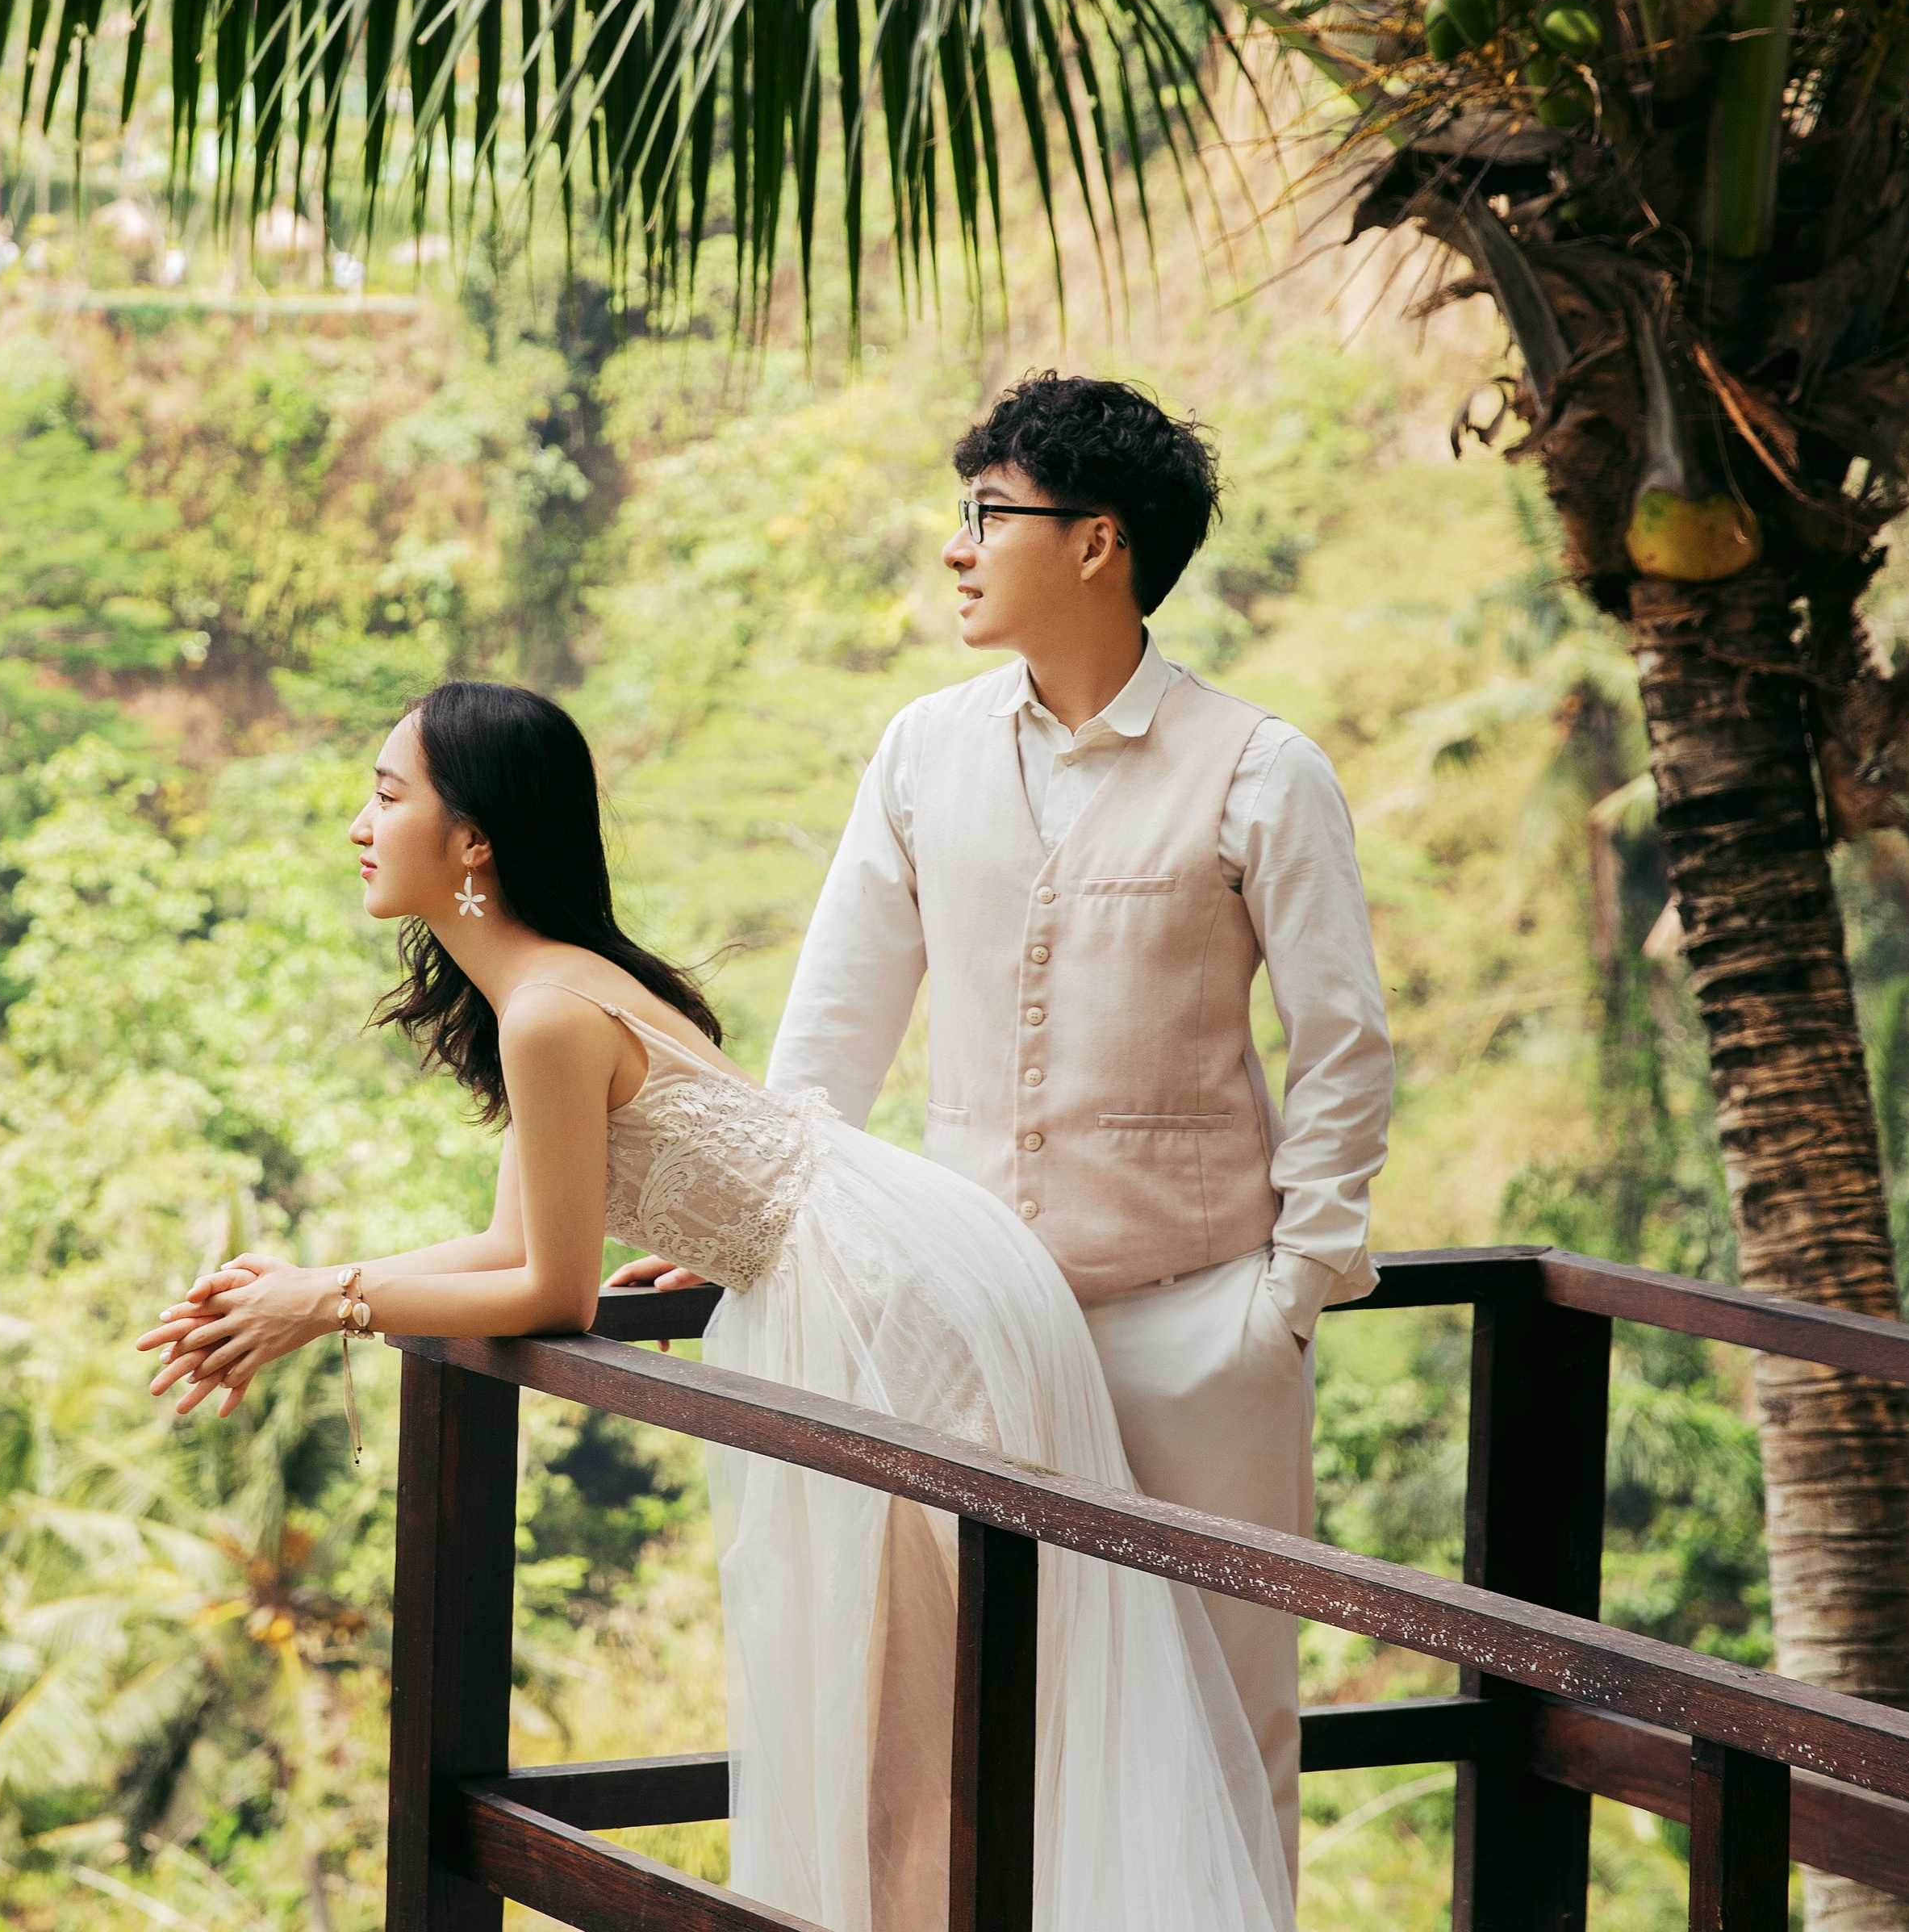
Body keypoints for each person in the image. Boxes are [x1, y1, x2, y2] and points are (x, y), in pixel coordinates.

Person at [136, 678, 1292, 1931]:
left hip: (891, 1302)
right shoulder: (543, 992)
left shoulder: (549, 1011)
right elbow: (511, 1240)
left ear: (473, 840)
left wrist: (333, 1303)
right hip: (876, 1265)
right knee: (914, 1726)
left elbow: (551, 1291)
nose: (361, 826)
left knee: (911, 1742)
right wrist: (312, 1288)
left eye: (386, 795)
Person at [614, 370, 1398, 1868]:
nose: (957, 547)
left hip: (1195, 1331)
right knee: (971, 1727)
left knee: (1225, 1732)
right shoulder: (923, 749)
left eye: (990, 515)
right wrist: (753, 1232)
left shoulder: (1262, 769)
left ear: (1098, 544)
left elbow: (1344, 1044)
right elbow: (834, 1031)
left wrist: (1292, 1293)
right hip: (967, 1329)